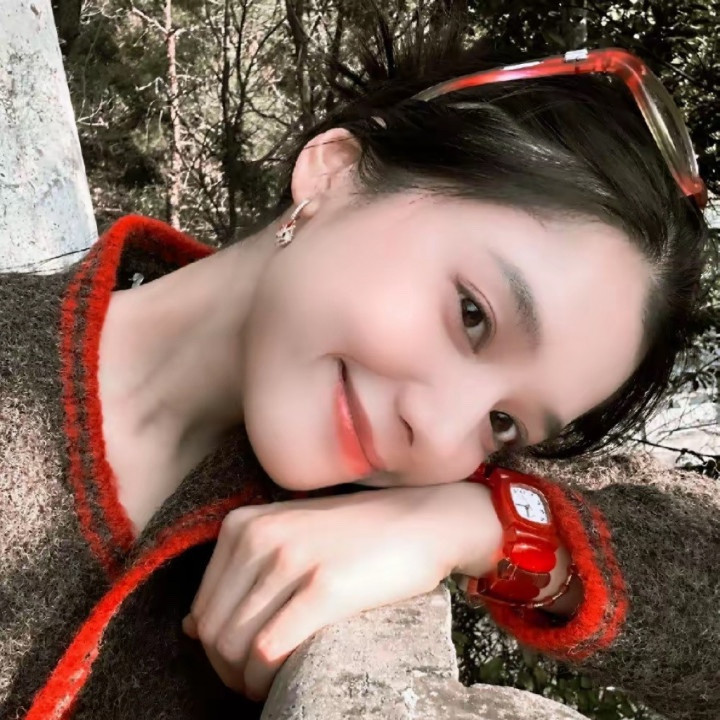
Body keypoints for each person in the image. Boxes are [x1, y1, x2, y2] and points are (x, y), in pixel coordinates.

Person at [1, 18, 716, 720]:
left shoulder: (389, 488)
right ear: (334, 172)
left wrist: (479, 525)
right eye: (472, 314)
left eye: (503, 422)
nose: (439, 431)